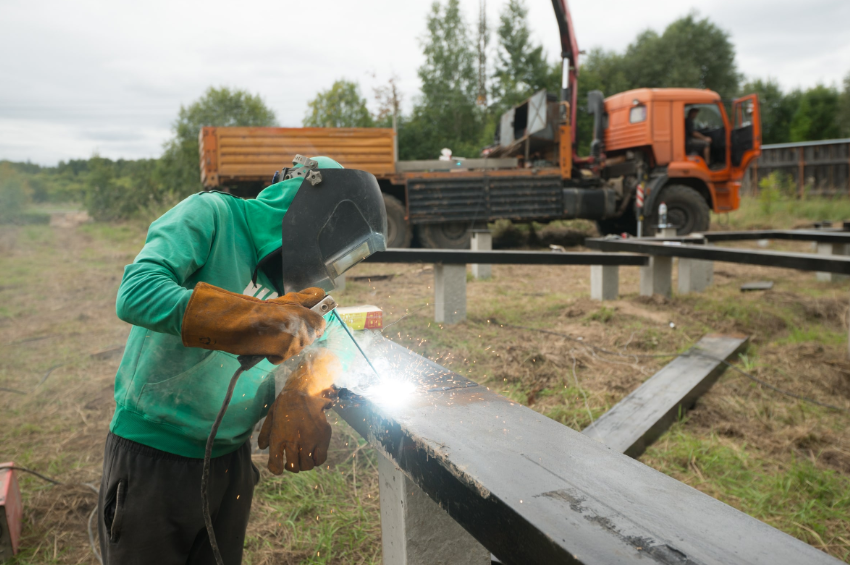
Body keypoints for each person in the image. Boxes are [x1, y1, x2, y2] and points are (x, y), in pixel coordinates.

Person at [97, 156, 385, 564]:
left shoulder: (297, 279)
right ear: (310, 212)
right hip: (152, 458)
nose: (328, 268)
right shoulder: (211, 215)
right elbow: (137, 292)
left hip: (229, 464)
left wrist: (304, 387)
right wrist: (251, 317)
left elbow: (334, 339)